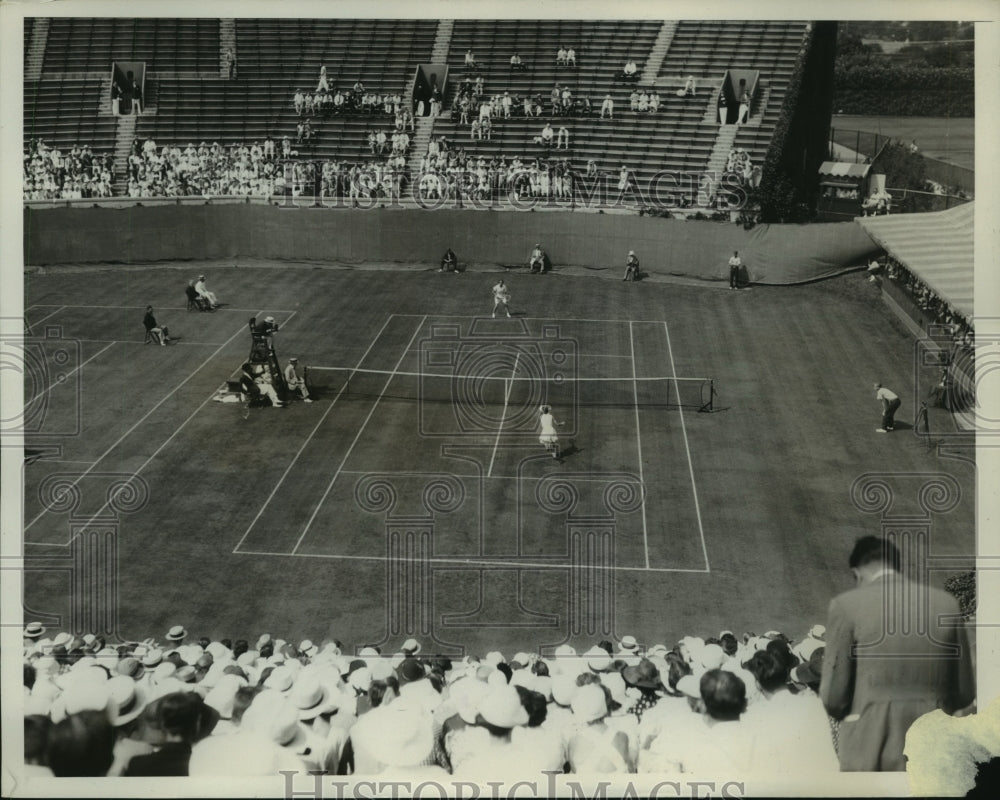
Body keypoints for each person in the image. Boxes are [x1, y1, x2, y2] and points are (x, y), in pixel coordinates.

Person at [820, 536, 975, 771]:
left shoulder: (845, 605)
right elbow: (964, 693)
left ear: (858, 573)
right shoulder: (946, 604)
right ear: (896, 566)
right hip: (935, 745)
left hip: (870, 746)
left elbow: (833, 697)